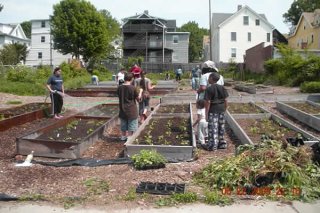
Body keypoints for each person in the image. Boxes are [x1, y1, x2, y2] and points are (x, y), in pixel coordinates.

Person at [204, 72, 229, 151]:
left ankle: (212, 146)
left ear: (211, 78)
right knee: (221, 127)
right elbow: (225, 100)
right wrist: (225, 109)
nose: (208, 79)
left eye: (209, 78)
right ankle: (222, 144)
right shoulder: (222, 88)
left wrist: (206, 113)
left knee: (213, 128)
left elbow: (208, 102)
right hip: (221, 109)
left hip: (213, 110)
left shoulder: (209, 89)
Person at [117, 72, 142, 141]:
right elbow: (138, 99)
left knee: (123, 123)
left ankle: (123, 136)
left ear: (124, 78)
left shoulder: (119, 88)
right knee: (132, 123)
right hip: (131, 109)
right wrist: (140, 92)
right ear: (132, 79)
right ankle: (129, 137)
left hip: (122, 108)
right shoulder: (132, 88)